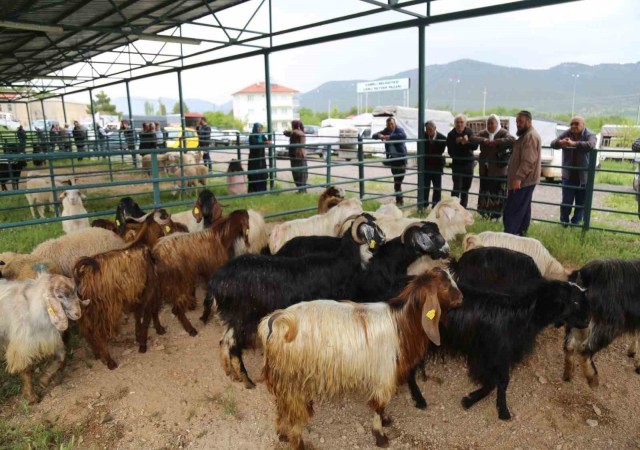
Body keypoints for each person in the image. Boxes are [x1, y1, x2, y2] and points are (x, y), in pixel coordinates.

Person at [550, 116, 596, 227]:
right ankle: (564, 223)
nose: (573, 126)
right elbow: (553, 143)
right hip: (568, 175)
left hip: (583, 177)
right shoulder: (567, 133)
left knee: (581, 203)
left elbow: (591, 144)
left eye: (576, 123)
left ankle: (575, 224)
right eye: (571, 124)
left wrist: (573, 144)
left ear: (583, 124)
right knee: (566, 202)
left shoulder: (590, 134)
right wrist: (561, 143)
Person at [503, 111, 542, 236]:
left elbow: (528, 160)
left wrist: (518, 178)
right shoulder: (526, 136)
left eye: (520, 121)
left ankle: (510, 237)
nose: (517, 124)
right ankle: (520, 236)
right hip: (525, 181)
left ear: (529, 121)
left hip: (523, 181)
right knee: (523, 210)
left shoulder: (530, 136)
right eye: (516, 121)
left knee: (512, 211)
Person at [471, 114, 515, 219]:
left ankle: (497, 215)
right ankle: (484, 213)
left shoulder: (503, 132)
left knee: (498, 191)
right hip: (485, 169)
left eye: (492, 123)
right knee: (485, 190)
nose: (490, 125)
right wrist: (483, 140)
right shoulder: (484, 133)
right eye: (488, 123)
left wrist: (496, 142)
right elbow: (472, 138)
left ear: (497, 123)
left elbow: (512, 140)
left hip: (499, 169)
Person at [373, 117, 408, 205]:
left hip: (401, 159)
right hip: (393, 160)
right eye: (389, 125)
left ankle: (400, 200)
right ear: (387, 125)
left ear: (395, 124)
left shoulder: (399, 129)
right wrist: (380, 136)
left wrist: (389, 137)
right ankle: (399, 201)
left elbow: (403, 135)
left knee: (398, 181)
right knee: (396, 180)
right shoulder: (386, 130)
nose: (391, 126)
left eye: (392, 124)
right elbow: (374, 135)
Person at [446, 114, 478, 208]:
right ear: (454, 123)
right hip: (457, 164)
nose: (459, 124)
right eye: (457, 122)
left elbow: (475, 146)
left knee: (466, 187)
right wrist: (457, 143)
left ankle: (463, 208)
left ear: (465, 123)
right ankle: (453, 207)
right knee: (457, 187)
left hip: (469, 163)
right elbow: (450, 152)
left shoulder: (469, 131)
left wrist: (466, 142)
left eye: (461, 122)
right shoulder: (451, 134)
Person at [423, 120, 447, 208]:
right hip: (426, 165)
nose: (428, 131)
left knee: (437, 187)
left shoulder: (442, 138)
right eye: (427, 129)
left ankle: (435, 205)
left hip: (437, 166)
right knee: (425, 186)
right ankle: (424, 204)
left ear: (435, 128)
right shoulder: (424, 136)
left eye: (430, 129)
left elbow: (440, 151)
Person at [283, 119, 308, 193]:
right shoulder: (301, 131)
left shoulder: (295, 132)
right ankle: (303, 189)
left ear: (293, 125)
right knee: (303, 171)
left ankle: (301, 189)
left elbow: (289, 133)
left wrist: (285, 132)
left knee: (297, 172)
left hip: (296, 154)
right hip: (302, 154)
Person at [248, 122, 270, 193]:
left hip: (261, 158)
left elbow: (266, 141)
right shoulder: (252, 136)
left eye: (261, 127)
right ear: (255, 128)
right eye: (258, 127)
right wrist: (264, 143)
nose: (260, 129)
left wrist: (267, 142)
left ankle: (262, 190)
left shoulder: (262, 135)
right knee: (254, 173)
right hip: (254, 158)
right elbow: (255, 144)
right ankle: (254, 190)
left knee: (262, 173)